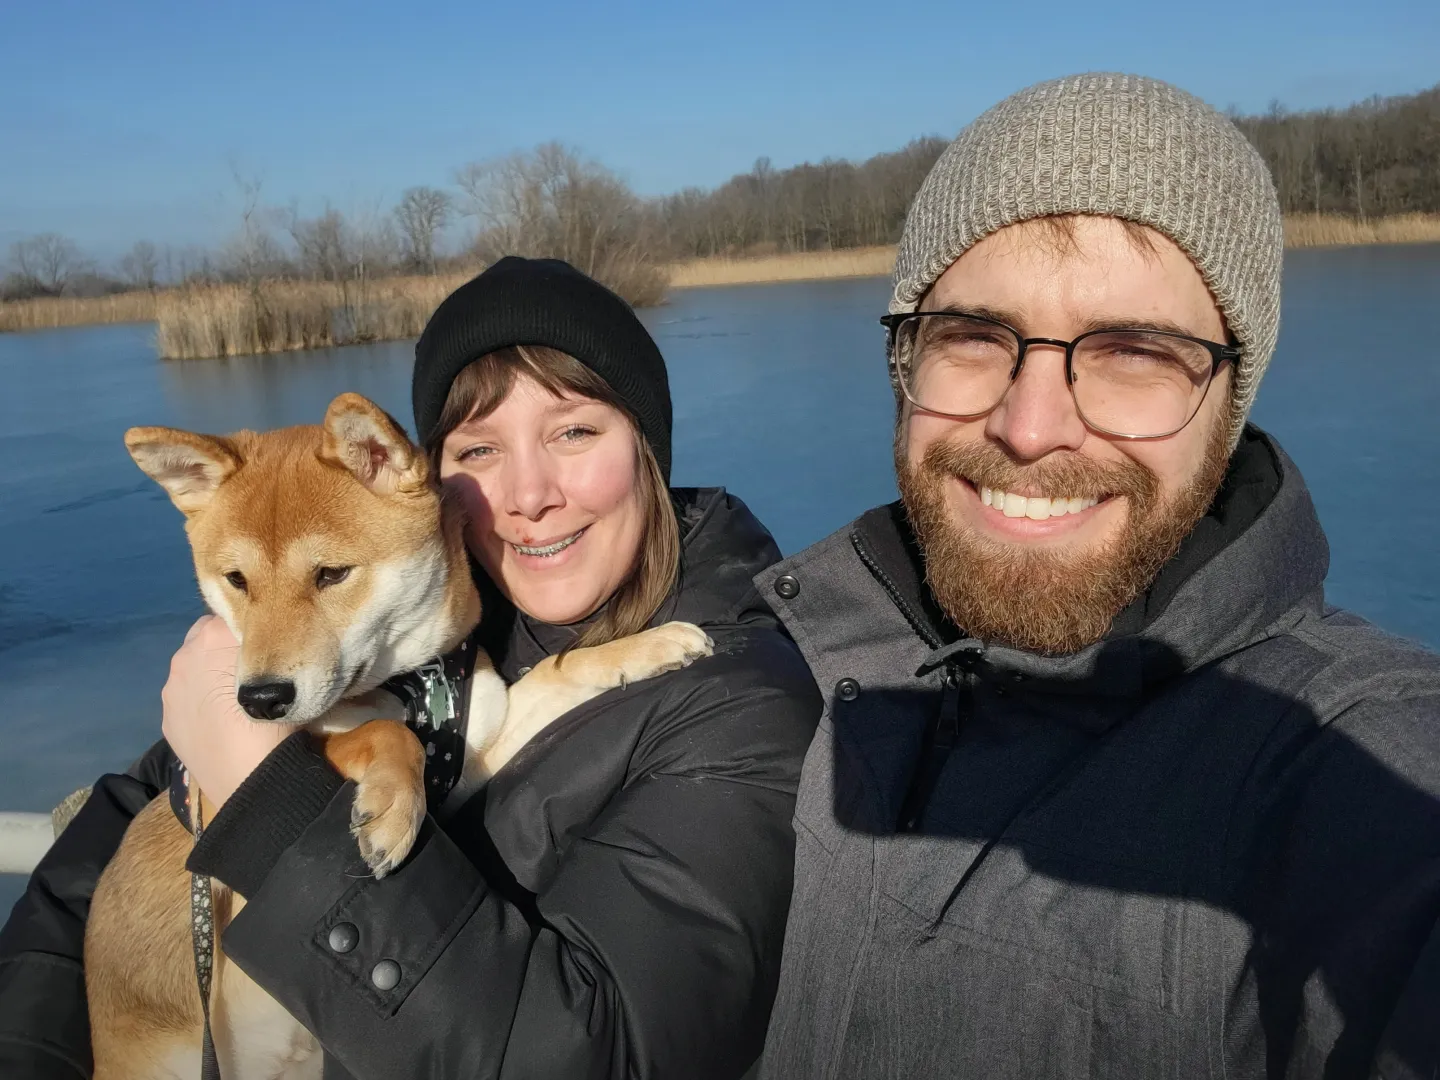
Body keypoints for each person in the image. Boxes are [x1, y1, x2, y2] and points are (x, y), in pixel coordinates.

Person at [754, 73, 1440, 1079]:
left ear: (1230, 403)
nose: (1031, 429)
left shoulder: (1343, 776)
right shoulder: (787, 668)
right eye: (976, 339)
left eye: (1131, 352)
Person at [0, 256, 821, 1079]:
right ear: (434, 475)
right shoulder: (438, 628)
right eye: (479, 447)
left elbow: (590, 1055)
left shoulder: (745, 718)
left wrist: (274, 809)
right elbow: (104, 845)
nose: (528, 495)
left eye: (574, 430)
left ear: (646, 443)